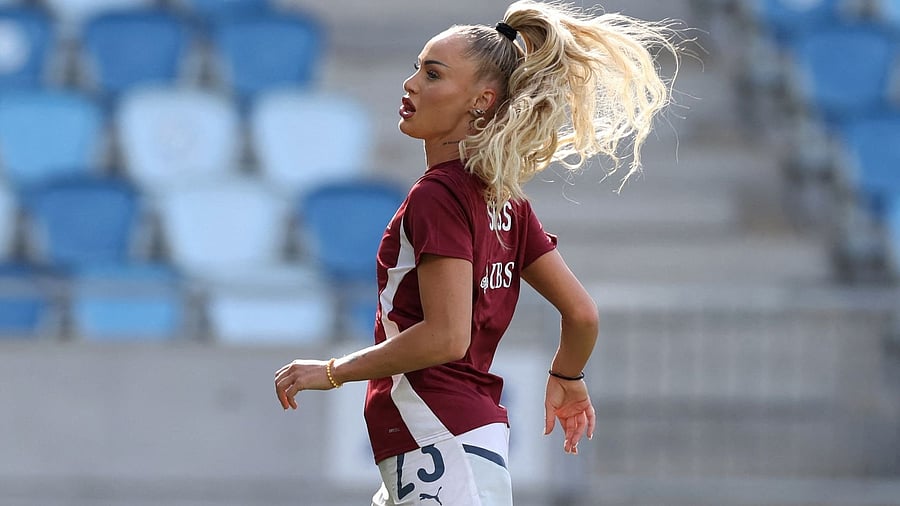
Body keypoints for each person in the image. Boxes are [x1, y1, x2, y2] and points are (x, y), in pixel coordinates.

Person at [275, 1, 680, 504]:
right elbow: (581, 315)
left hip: (437, 436)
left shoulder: (438, 196)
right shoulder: (504, 200)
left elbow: (446, 337)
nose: (411, 84)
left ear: (481, 102)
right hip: (461, 437)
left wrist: (332, 371)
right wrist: (567, 376)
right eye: (416, 68)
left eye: (433, 74)